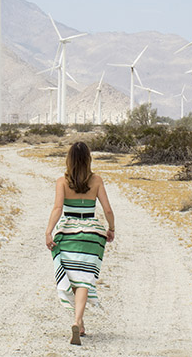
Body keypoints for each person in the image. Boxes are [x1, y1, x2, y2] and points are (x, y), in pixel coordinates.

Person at [45, 141, 115, 346]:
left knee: (72, 274)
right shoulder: (97, 180)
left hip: (68, 232)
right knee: (84, 276)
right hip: (91, 234)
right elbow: (108, 210)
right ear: (88, 159)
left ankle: (79, 321)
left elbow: (57, 208)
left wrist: (49, 231)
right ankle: (78, 321)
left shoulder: (62, 182)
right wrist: (111, 229)